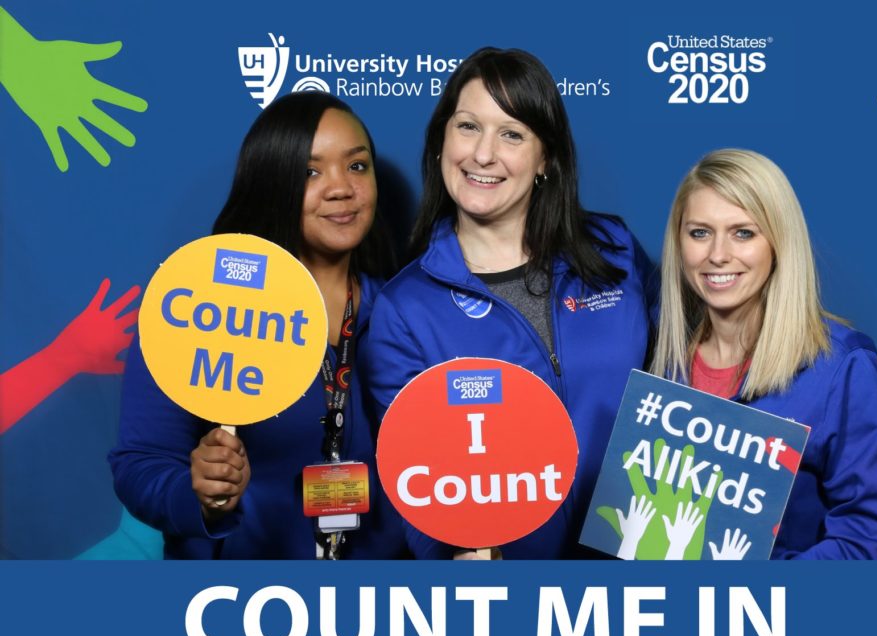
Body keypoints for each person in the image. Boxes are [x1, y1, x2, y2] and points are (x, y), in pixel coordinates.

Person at [365, 47, 658, 559]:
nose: (483, 154)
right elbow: (414, 481)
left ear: (545, 158)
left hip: (642, 562)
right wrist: (454, 554)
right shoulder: (404, 309)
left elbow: (689, 370)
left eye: (512, 134)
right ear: (441, 141)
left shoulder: (614, 249)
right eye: (468, 127)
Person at [109, 92, 407, 558]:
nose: (341, 188)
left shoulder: (405, 313)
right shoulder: (203, 307)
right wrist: (200, 496)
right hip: (242, 592)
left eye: (356, 166)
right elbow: (141, 462)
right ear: (272, 184)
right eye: (310, 172)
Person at [650, 148, 877, 559]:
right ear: (678, 243)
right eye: (699, 233)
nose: (718, 254)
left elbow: (868, 543)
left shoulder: (838, 368)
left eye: (743, 233)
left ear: (778, 242)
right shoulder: (660, 360)